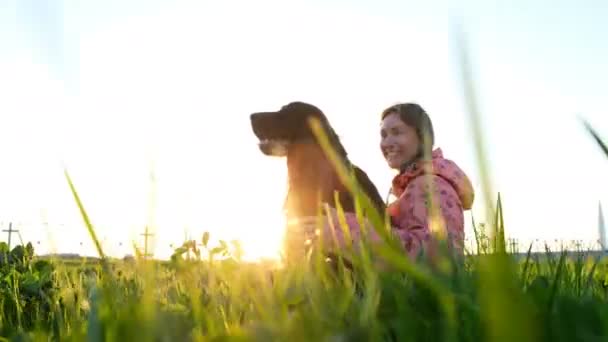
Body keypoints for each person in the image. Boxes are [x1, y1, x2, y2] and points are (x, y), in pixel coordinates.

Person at [306, 103, 475, 262]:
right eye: (384, 135)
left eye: (397, 132)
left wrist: (344, 228)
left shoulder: (431, 186)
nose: (386, 143)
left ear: (422, 137)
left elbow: (431, 257)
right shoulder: (419, 185)